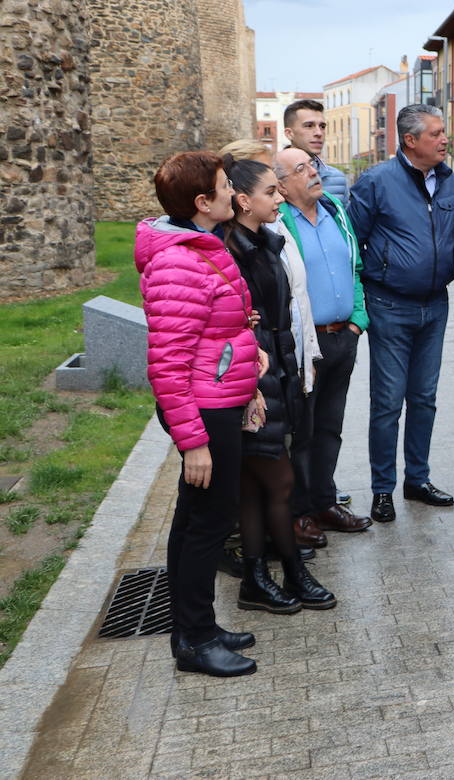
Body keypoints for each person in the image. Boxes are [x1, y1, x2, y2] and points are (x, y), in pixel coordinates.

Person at [137, 151, 260, 677]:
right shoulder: (177, 261)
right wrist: (194, 442)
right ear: (201, 203)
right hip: (204, 411)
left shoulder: (199, 246)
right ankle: (194, 638)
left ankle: (196, 626)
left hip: (218, 399)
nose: (235, 192)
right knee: (207, 522)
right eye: (225, 185)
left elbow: (215, 328)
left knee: (195, 521)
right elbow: (167, 364)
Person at [222, 159, 336, 614]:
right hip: (253, 378)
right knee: (280, 481)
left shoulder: (264, 242)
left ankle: (257, 578)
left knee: (255, 485)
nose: (280, 198)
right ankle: (291, 572)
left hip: (273, 370)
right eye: (271, 192)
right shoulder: (232, 250)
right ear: (244, 200)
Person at [348, 104, 454, 522]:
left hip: (435, 305)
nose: (444, 139)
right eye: (435, 133)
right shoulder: (376, 182)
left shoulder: (451, 182)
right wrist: (361, 303)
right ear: (410, 141)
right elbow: (352, 245)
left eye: (443, 132)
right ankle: (382, 489)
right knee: (388, 402)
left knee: (425, 399)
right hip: (389, 305)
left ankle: (418, 479)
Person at [273, 147, 373, 538]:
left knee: (331, 427)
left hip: (342, 338)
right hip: (305, 347)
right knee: (302, 431)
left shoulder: (334, 209)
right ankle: (300, 513)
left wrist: (358, 321)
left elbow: (355, 268)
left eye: (312, 165)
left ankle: (325, 502)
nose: (313, 172)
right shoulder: (278, 223)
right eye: (301, 169)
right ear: (281, 185)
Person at [283, 98, 348, 202]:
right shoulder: (273, 178)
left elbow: (343, 217)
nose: (319, 133)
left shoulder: (337, 178)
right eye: (309, 126)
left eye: (322, 126)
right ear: (289, 133)